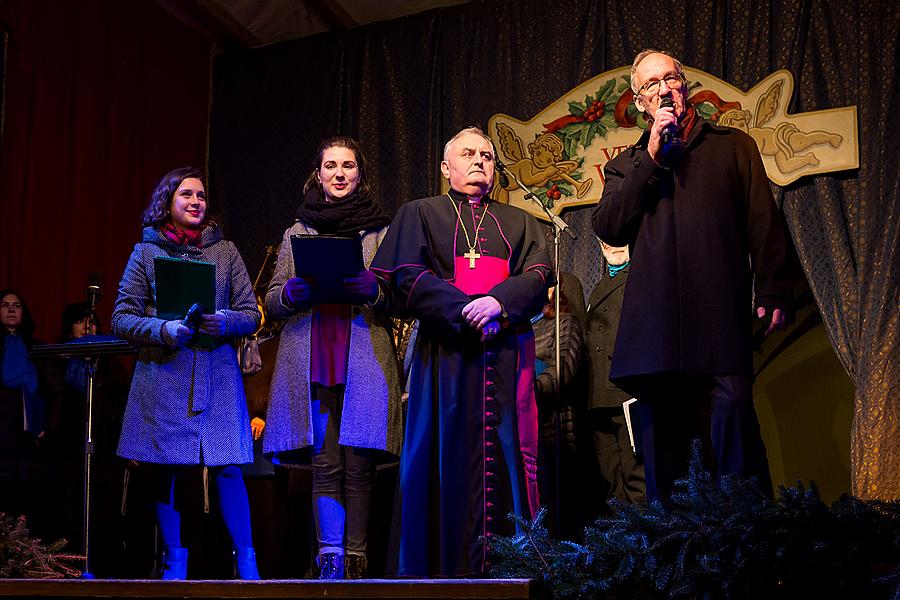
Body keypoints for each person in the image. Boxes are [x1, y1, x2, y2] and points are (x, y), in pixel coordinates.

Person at [591, 50, 794, 504]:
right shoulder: (627, 165)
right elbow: (608, 226)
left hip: (720, 323)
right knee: (667, 462)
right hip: (657, 337)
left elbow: (763, 223)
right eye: (651, 85)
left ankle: (743, 554)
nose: (663, 88)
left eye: (671, 78)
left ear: (684, 86)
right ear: (640, 102)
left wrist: (775, 287)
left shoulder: (732, 147)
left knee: (735, 439)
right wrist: (653, 158)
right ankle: (674, 563)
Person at [371, 126, 553, 577]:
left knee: (507, 457)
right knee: (438, 462)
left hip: (506, 357)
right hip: (443, 360)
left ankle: (512, 570)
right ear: (445, 167)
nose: (479, 162)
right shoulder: (419, 213)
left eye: (488, 156)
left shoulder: (522, 221)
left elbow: (536, 277)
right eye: (468, 154)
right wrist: (467, 308)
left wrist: (499, 304)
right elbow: (406, 277)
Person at [263, 136, 402, 580]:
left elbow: (399, 295)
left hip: (361, 348)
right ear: (318, 174)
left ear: (360, 174)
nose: (339, 173)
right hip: (313, 350)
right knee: (325, 461)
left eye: (348, 166)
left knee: (358, 462)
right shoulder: (297, 231)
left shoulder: (380, 230)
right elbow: (270, 297)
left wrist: (375, 291)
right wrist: (288, 293)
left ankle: (357, 559)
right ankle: (330, 559)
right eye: (331, 166)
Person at [112, 167, 261, 579]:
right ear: (168, 202)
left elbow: (251, 313)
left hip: (216, 372)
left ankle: (248, 566)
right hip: (165, 373)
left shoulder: (226, 251)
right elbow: (121, 317)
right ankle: (174, 566)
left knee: (229, 465)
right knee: (167, 468)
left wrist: (225, 322)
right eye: (186, 195)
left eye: (200, 195)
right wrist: (163, 329)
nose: (196, 202)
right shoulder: (146, 252)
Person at [584, 242, 645, 506]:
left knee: (636, 469)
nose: (612, 245)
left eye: (619, 239)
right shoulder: (597, 288)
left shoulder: (643, 277)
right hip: (597, 394)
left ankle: (646, 538)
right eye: (604, 240)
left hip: (627, 390)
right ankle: (619, 541)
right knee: (609, 474)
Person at [0, 289, 63, 540]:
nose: (11, 309)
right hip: (1, 436)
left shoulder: (38, 349)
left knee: (27, 500)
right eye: (5, 305)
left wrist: (50, 426)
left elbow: (57, 391)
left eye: (16, 305)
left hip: (30, 439)